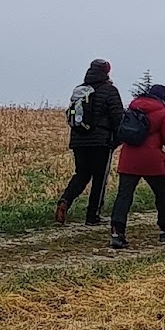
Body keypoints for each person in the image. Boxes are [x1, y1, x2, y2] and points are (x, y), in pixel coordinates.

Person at [109, 85, 165, 249]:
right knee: (162, 194)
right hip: (151, 161)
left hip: (128, 159)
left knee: (124, 196)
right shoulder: (163, 113)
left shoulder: (133, 107)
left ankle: (117, 233)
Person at [56, 59, 125, 226]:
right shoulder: (110, 90)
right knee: (99, 179)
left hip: (79, 140)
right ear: (106, 72)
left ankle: (65, 200)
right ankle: (92, 216)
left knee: (81, 174)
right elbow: (118, 117)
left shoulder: (80, 90)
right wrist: (117, 139)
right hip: (101, 142)